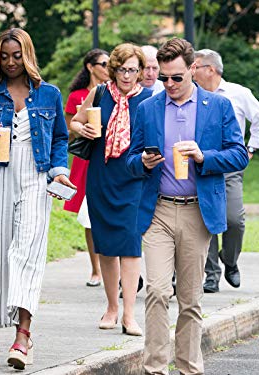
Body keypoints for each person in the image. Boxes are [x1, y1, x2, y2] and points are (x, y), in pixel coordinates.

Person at [126, 37, 249, 375]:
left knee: (190, 300)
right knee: (156, 291)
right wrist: (143, 162)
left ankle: (189, 368)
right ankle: (154, 369)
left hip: (198, 210)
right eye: (164, 77)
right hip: (158, 210)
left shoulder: (218, 106)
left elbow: (239, 155)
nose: (169, 84)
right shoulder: (148, 107)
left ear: (193, 69)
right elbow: (129, 161)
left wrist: (203, 156)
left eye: (176, 77)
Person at [0, 28, 72, 371]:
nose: (11, 62)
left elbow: (59, 138)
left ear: (27, 55)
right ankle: (15, 323)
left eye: (17, 55)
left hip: (37, 174)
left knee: (26, 252)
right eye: (5, 55)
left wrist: (59, 171)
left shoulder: (49, 94)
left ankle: (22, 335)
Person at [70, 43, 152, 336]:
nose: (127, 76)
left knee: (130, 245)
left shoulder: (150, 99)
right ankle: (111, 307)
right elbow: (75, 123)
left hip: (134, 178)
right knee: (105, 245)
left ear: (141, 71)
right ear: (113, 69)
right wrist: (85, 129)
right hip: (101, 176)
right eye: (121, 69)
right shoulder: (101, 93)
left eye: (133, 70)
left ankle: (130, 314)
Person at [193, 49, 259, 293]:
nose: (191, 71)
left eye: (196, 66)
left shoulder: (238, 93)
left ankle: (230, 260)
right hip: (201, 164)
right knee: (207, 220)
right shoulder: (193, 95)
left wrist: (251, 148)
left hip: (229, 166)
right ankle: (211, 274)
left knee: (233, 219)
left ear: (211, 69)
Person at [63, 48, 109, 287]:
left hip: (108, 156)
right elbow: (69, 126)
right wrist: (82, 128)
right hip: (85, 157)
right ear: (91, 66)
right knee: (87, 214)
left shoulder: (113, 91)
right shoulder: (77, 95)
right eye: (103, 63)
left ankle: (113, 266)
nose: (107, 67)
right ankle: (95, 269)